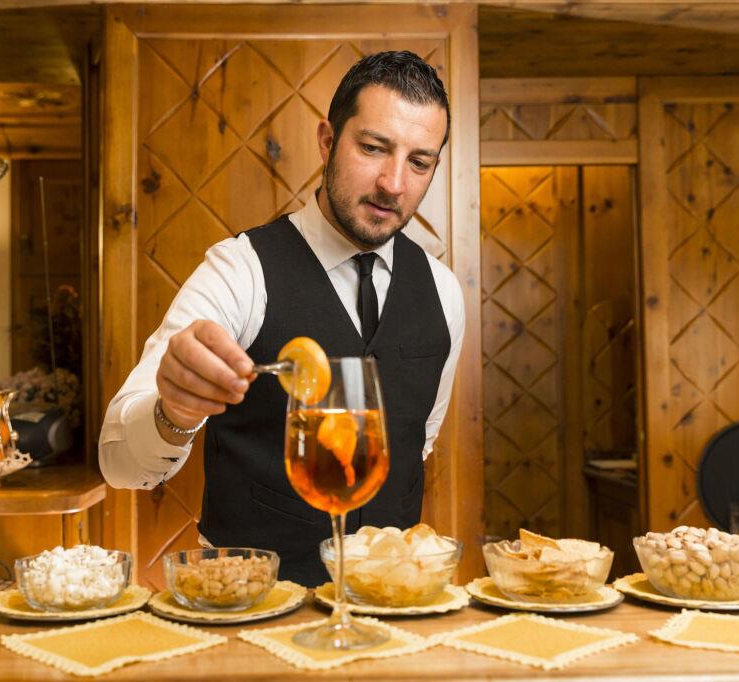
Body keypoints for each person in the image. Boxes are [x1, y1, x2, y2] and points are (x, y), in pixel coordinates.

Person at [100, 51, 465, 586]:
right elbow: (119, 465)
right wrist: (172, 412)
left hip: (393, 600)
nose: (393, 183)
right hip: (249, 601)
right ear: (327, 141)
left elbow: (419, 441)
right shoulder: (239, 270)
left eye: (419, 162)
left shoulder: (444, 291)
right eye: (372, 148)